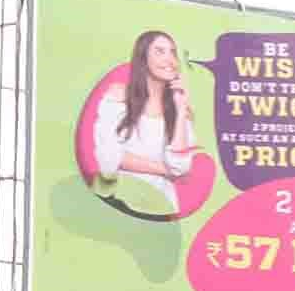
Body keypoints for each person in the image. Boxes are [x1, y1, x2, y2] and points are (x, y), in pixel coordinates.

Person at [82, 29, 210, 213]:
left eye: (172, 52)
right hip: (117, 204)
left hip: (161, 211)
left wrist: (181, 110)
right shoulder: (118, 97)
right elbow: (107, 162)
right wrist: (165, 170)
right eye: (160, 51)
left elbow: (181, 166)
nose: (170, 59)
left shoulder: (180, 110)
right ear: (143, 58)